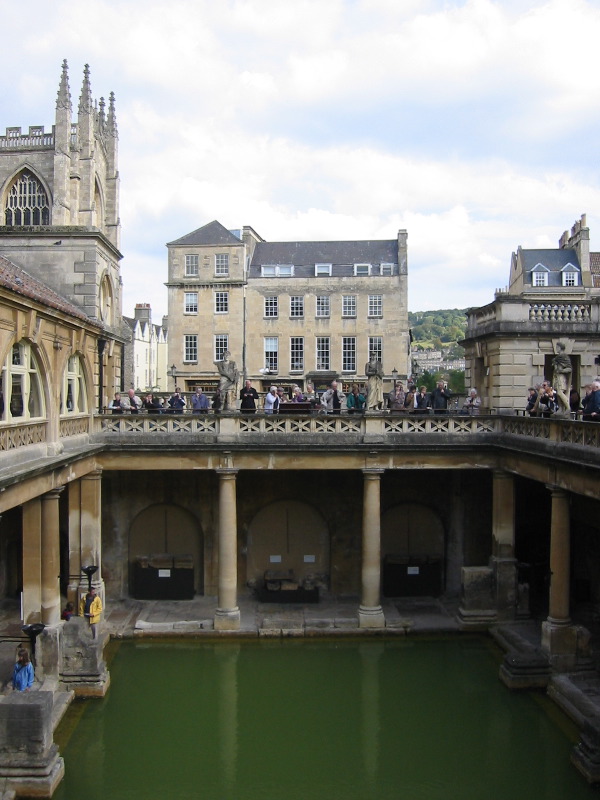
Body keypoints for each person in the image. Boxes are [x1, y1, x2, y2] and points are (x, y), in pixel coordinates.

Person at [552, 342, 572, 414]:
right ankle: (560, 409)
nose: (556, 348)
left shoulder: (565, 357)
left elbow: (569, 369)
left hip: (561, 377)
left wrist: (562, 370)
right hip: (556, 376)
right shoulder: (557, 358)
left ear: (561, 347)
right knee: (557, 394)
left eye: (557, 347)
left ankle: (568, 407)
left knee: (560, 393)